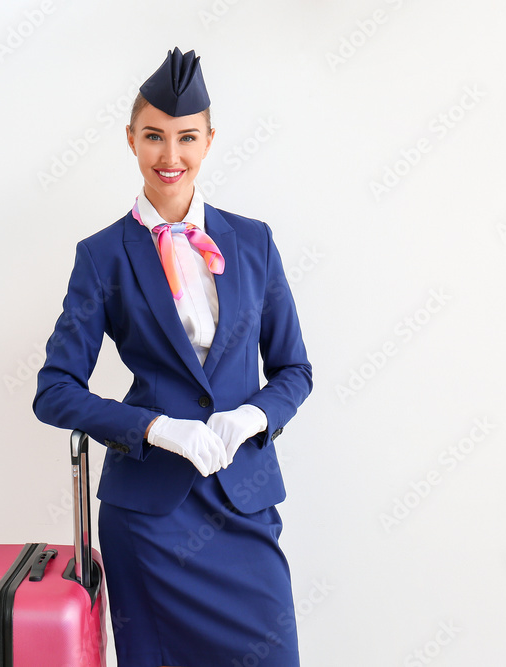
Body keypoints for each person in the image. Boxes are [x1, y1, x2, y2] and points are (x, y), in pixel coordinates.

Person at [33, 46, 311, 667]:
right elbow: (55, 391)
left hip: (243, 499)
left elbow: (294, 369)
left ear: (209, 141)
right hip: (151, 520)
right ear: (130, 139)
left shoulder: (254, 241)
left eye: (186, 137)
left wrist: (253, 417)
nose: (170, 155)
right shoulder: (102, 255)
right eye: (154, 136)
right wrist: (157, 429)